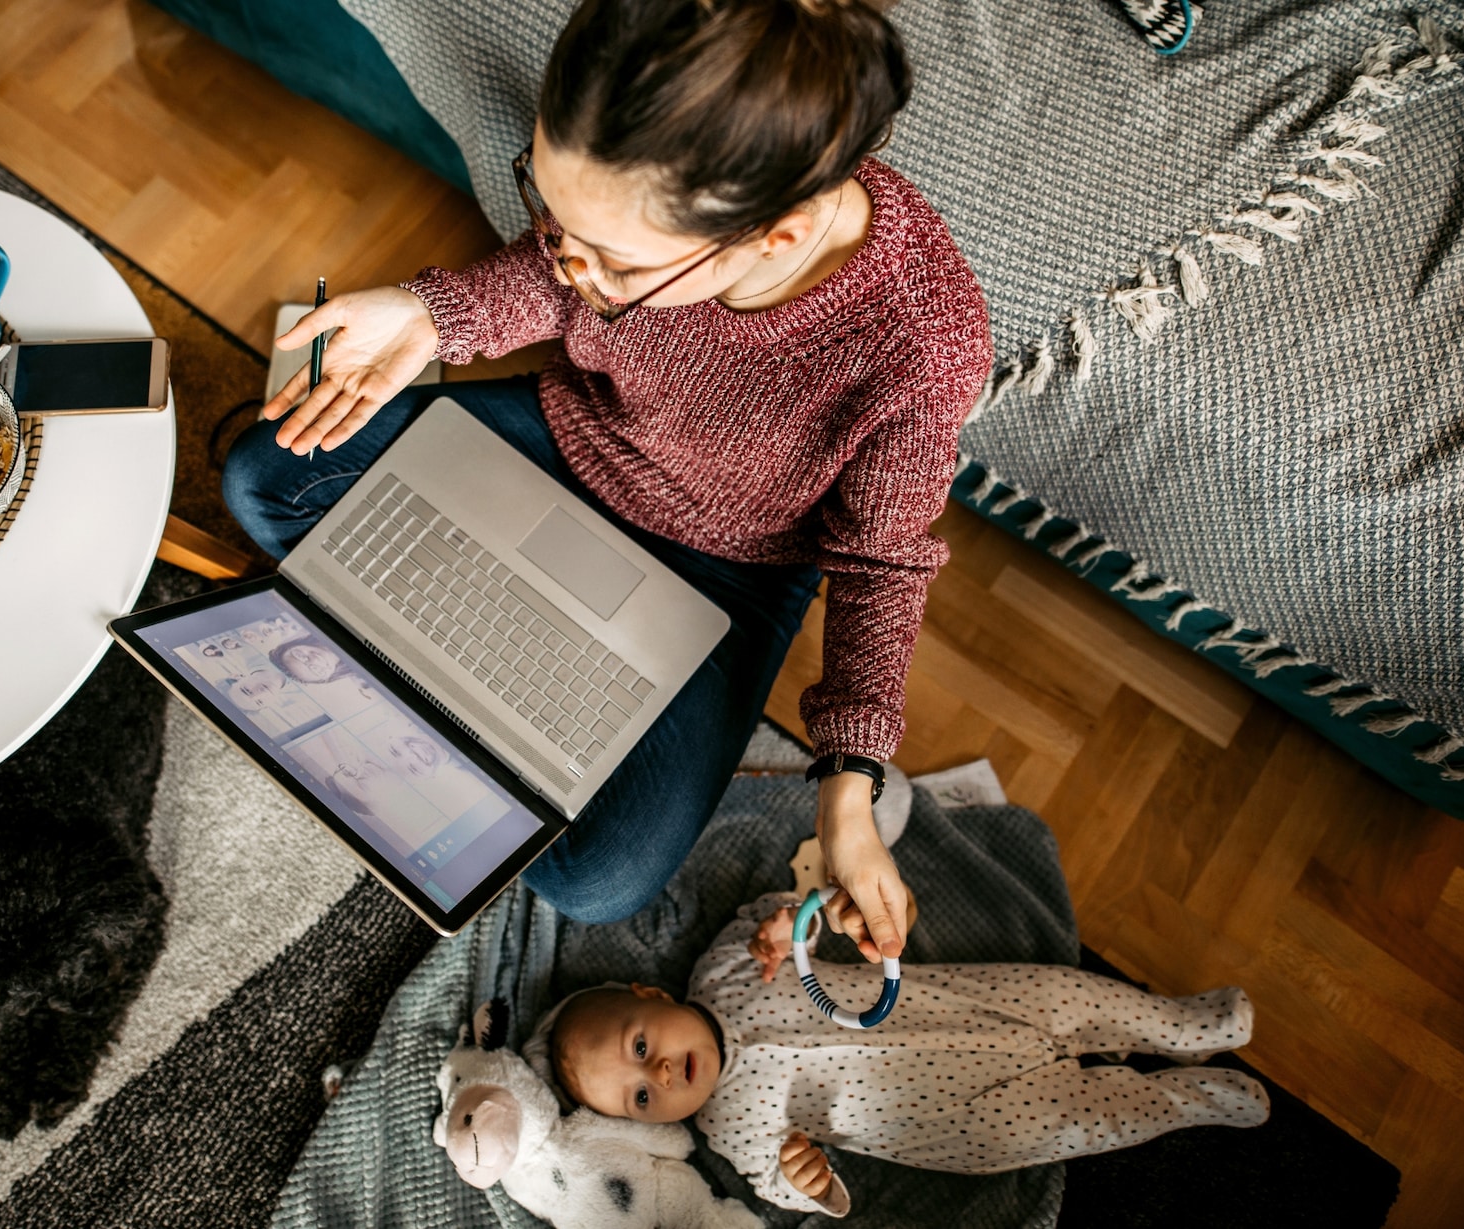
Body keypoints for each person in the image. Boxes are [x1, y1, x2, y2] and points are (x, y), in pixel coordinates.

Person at [223, 0, 992, 948]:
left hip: (729, 569)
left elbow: (881, 564)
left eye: (616, 266)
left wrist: (849, 792)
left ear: (776, 238)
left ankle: (450, 639)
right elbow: (548, 282)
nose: (571, 265)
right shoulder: (622, 220)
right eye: (553, 215)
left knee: (602, 878)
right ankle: (500, 657)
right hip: (571, 440)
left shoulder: (926, 341)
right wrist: (433, 315)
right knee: (265, 475)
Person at [538, 892, 1269, 1215]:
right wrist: (808, 1180)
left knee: (1071, 996)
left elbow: (786, 914)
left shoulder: (726, 967)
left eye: (641, 1046)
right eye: (641, 1095)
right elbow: (779, 1183)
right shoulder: (727, 1127)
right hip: (958, 1116)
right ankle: (1185, 1101)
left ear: (653, 994)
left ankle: (1183, 1024)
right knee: (1081, 1119)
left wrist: (786, 920)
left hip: (961, 1003)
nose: (660, 1073)